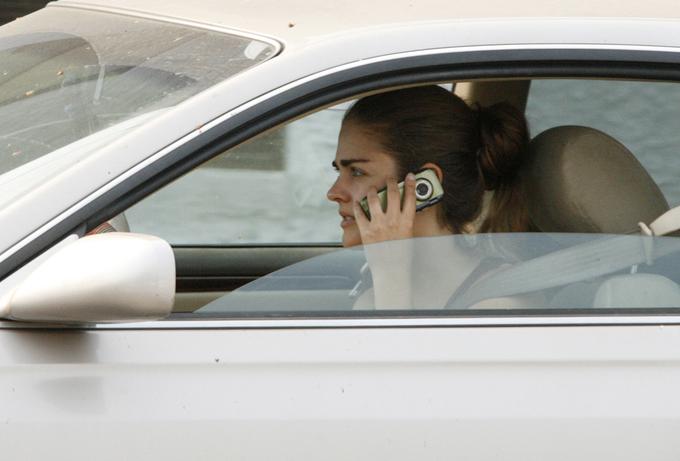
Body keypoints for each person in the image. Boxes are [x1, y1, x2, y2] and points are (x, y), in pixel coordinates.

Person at [326, 85, 530, 309]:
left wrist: (390, 274)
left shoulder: (499, 307)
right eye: (339, 171)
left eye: (357, 172)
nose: (334, 193)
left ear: (423, 184)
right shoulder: (370, 297)